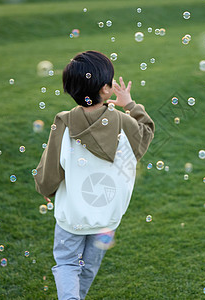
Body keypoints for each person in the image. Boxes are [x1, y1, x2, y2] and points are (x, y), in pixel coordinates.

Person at [34, 50, 154, 300]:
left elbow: (51, 166)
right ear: (106, 89)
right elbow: (146, 133)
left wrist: (46, 189)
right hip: (107, 217)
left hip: (72, 214)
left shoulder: (64, 123)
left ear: (70, 89)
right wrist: (130, 104)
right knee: (88, 268)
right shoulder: (124, 123)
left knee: (67, 264)